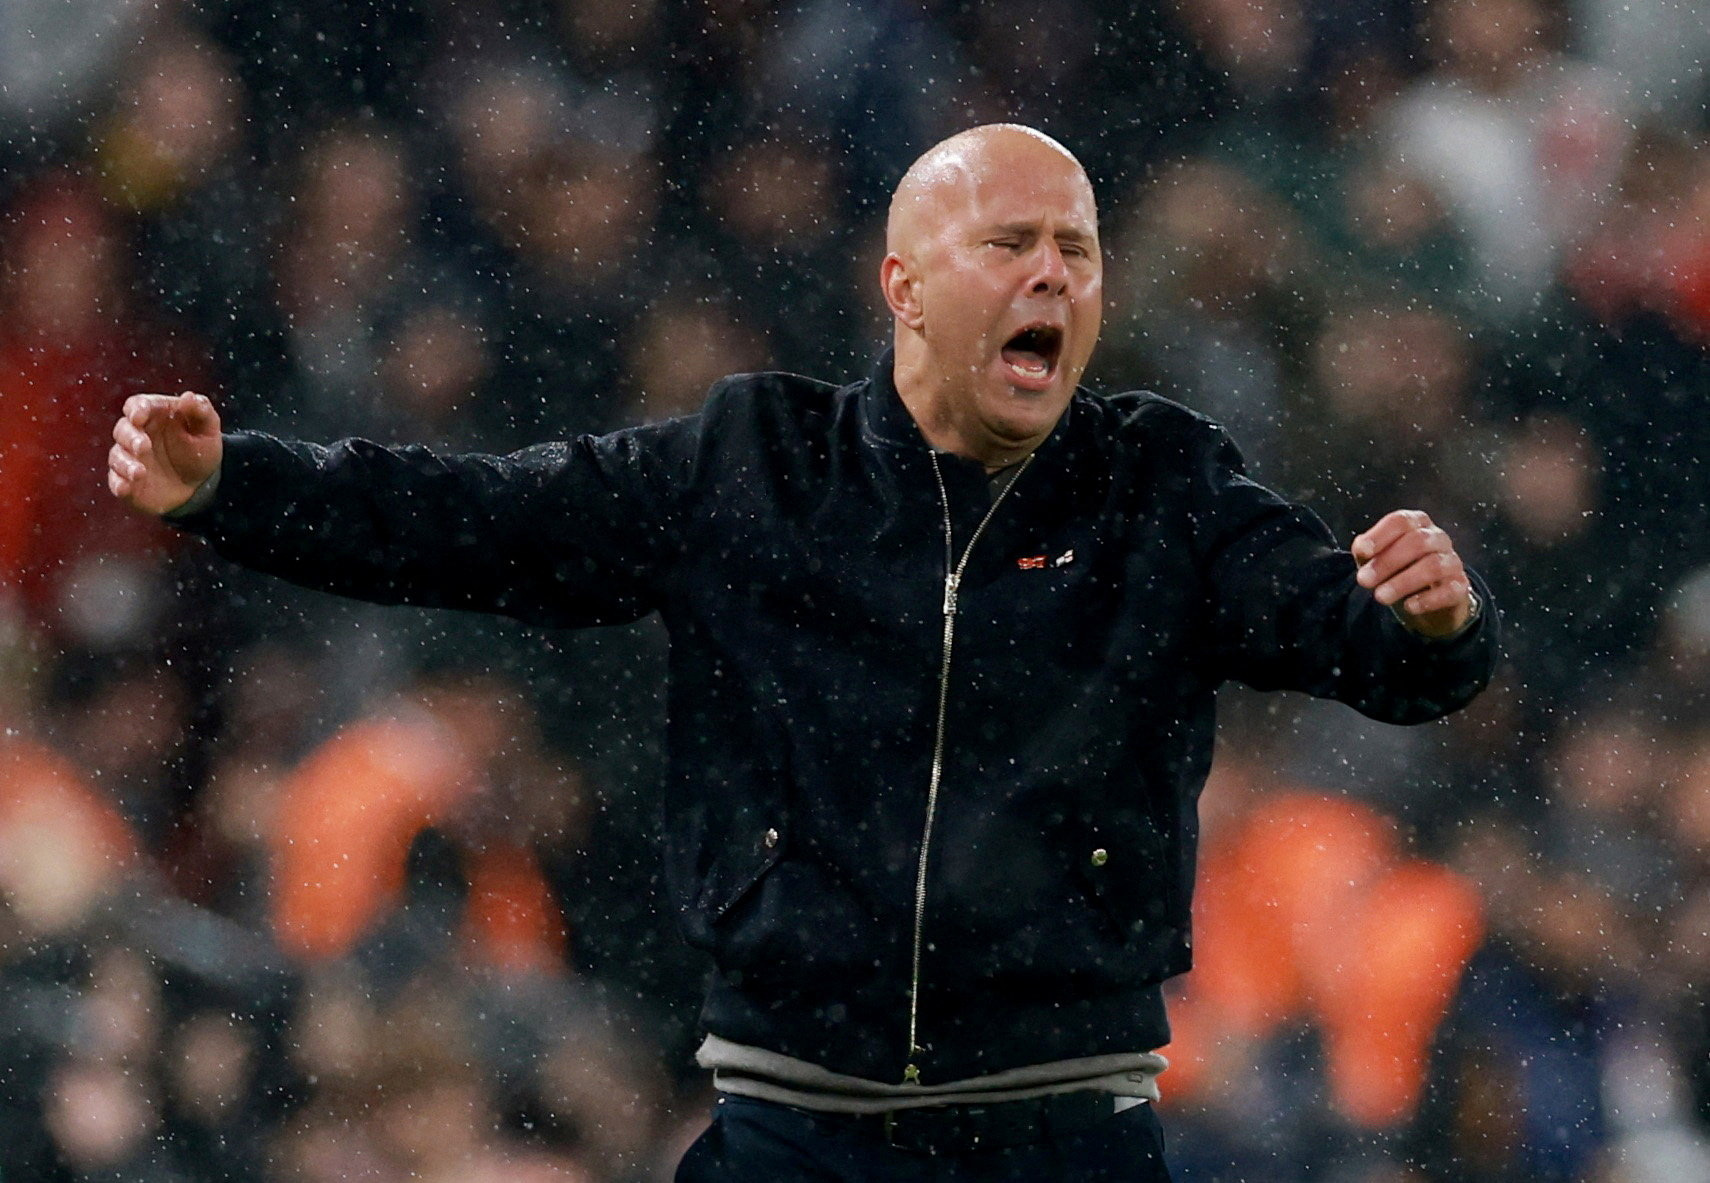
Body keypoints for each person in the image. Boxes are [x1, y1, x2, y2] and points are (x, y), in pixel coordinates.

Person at [108, 124, 1497, 1181]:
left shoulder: (1160, 484)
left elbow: (1363, 647)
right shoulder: (754, 466)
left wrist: (1433, 623)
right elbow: (478, 520)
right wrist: (239, 484)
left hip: (1062, 1126)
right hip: (793, 1125)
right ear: (901, 283)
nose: (1051, 276)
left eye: (1074, 251)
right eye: (1009, 242)